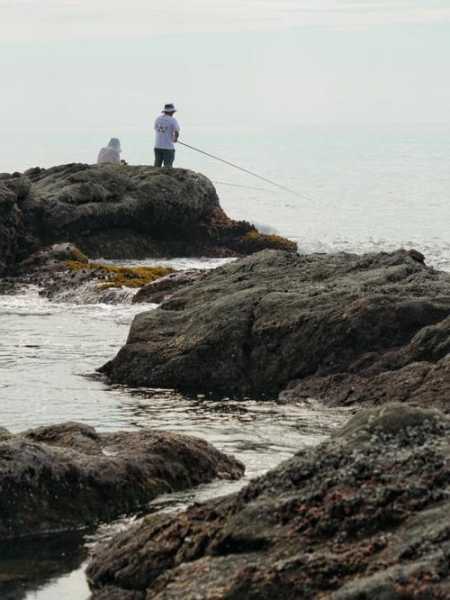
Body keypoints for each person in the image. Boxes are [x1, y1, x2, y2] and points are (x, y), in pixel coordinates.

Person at [154, 103, 180, 168]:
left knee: (157, 165)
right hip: (168, 147)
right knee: (168, 166)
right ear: (171, 112)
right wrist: (175, 139)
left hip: (157, 146)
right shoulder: (172, 120)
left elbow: (156, 129)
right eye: (173, 112)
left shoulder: (158, 119)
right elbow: (176, 131)